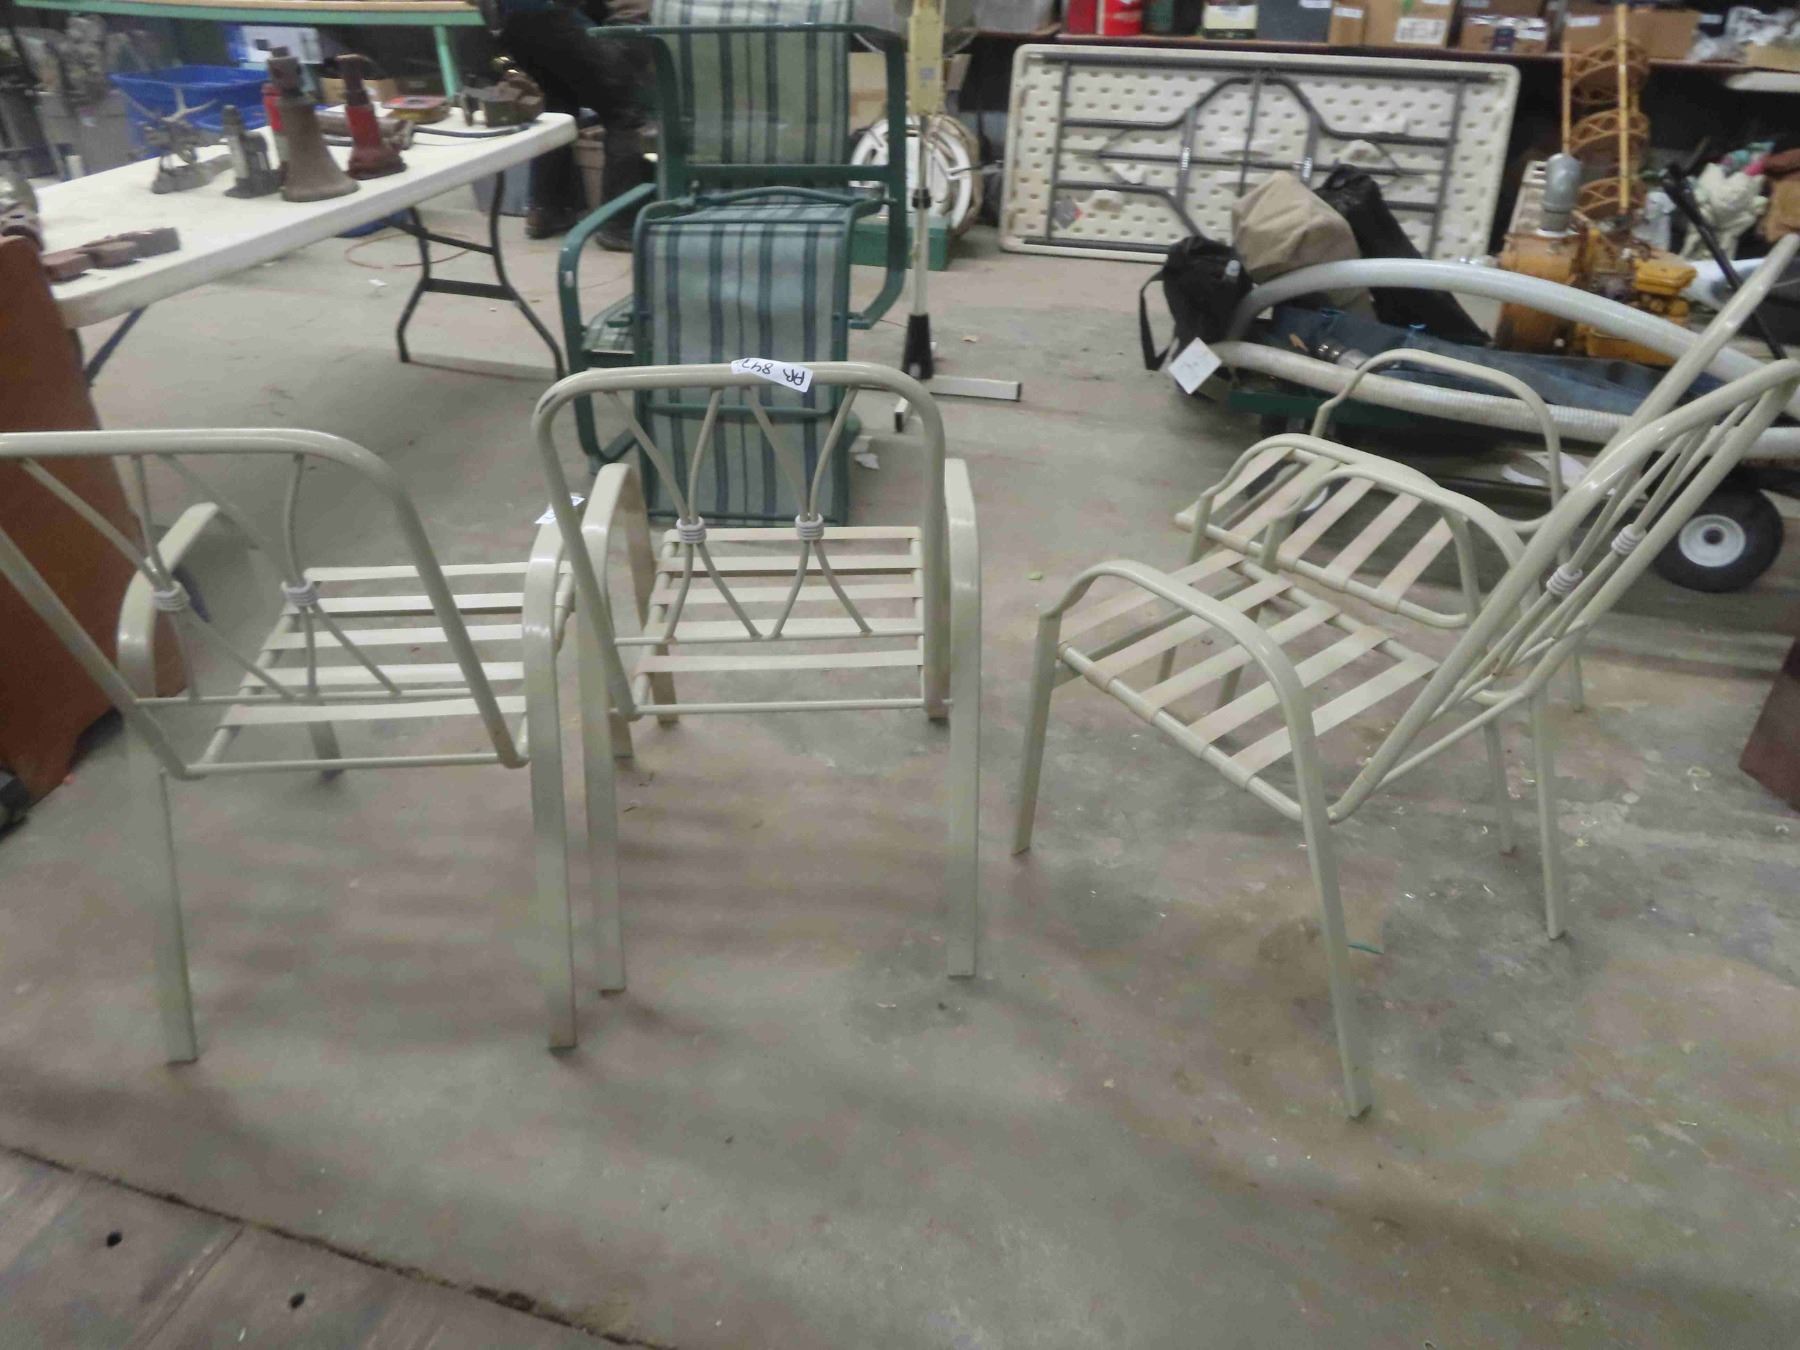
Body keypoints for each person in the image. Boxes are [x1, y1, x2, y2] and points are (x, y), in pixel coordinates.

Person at [493, 0, 653, 248]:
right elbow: (631, 11)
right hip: (554, 17)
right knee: (624, 114)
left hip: (513, 20)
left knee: (557, 108)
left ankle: (545, 210)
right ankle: (619, 225)